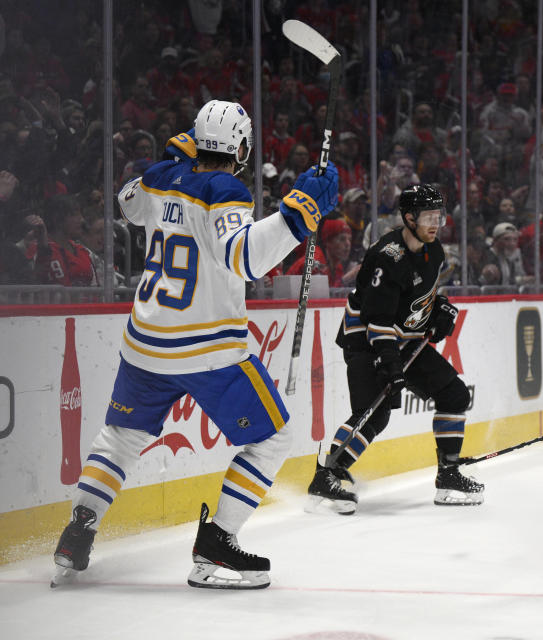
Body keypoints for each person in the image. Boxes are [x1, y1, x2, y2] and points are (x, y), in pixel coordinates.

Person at [51, 100, 340, 590]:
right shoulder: (226, 188)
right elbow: (244, 258)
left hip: (144, 342)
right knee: (272, 438)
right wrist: (298, 214)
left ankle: (78, 530)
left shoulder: (164, 178)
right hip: (206, 348)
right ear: (242, 148)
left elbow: (128, 200)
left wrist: (167, 162)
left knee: (121, 437)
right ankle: (216, 547)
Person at [306, 184, 483, 514]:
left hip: (403, 339)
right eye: (428, 216)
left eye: (438, 216)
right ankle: (326, 475)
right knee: (374, 412)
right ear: (409, 218)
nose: (435, 223)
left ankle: (448, 475)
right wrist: (389, 364)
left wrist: (438, 312)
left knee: (454, 394)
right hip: (366, 342)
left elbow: (415, 302)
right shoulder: (386, 257)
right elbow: (378, 319)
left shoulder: (434, 251)